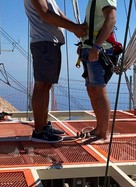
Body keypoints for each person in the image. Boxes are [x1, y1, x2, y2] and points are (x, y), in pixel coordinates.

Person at [24, 0, 87, 143]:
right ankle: (39, 131)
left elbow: (58, 14)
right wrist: (74, 28)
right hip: (44, 42)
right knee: (41, 85)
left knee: (46, 85)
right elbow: (45, 13)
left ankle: (43, 126)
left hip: (49, 42)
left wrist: (77, 28)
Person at [80, 0, 117, 144]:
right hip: (89, 48)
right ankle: (99, 127)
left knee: (99, 90)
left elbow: (111, 18)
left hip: (98, 49)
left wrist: (97, 46)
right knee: (92, 89)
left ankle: (104, 134)